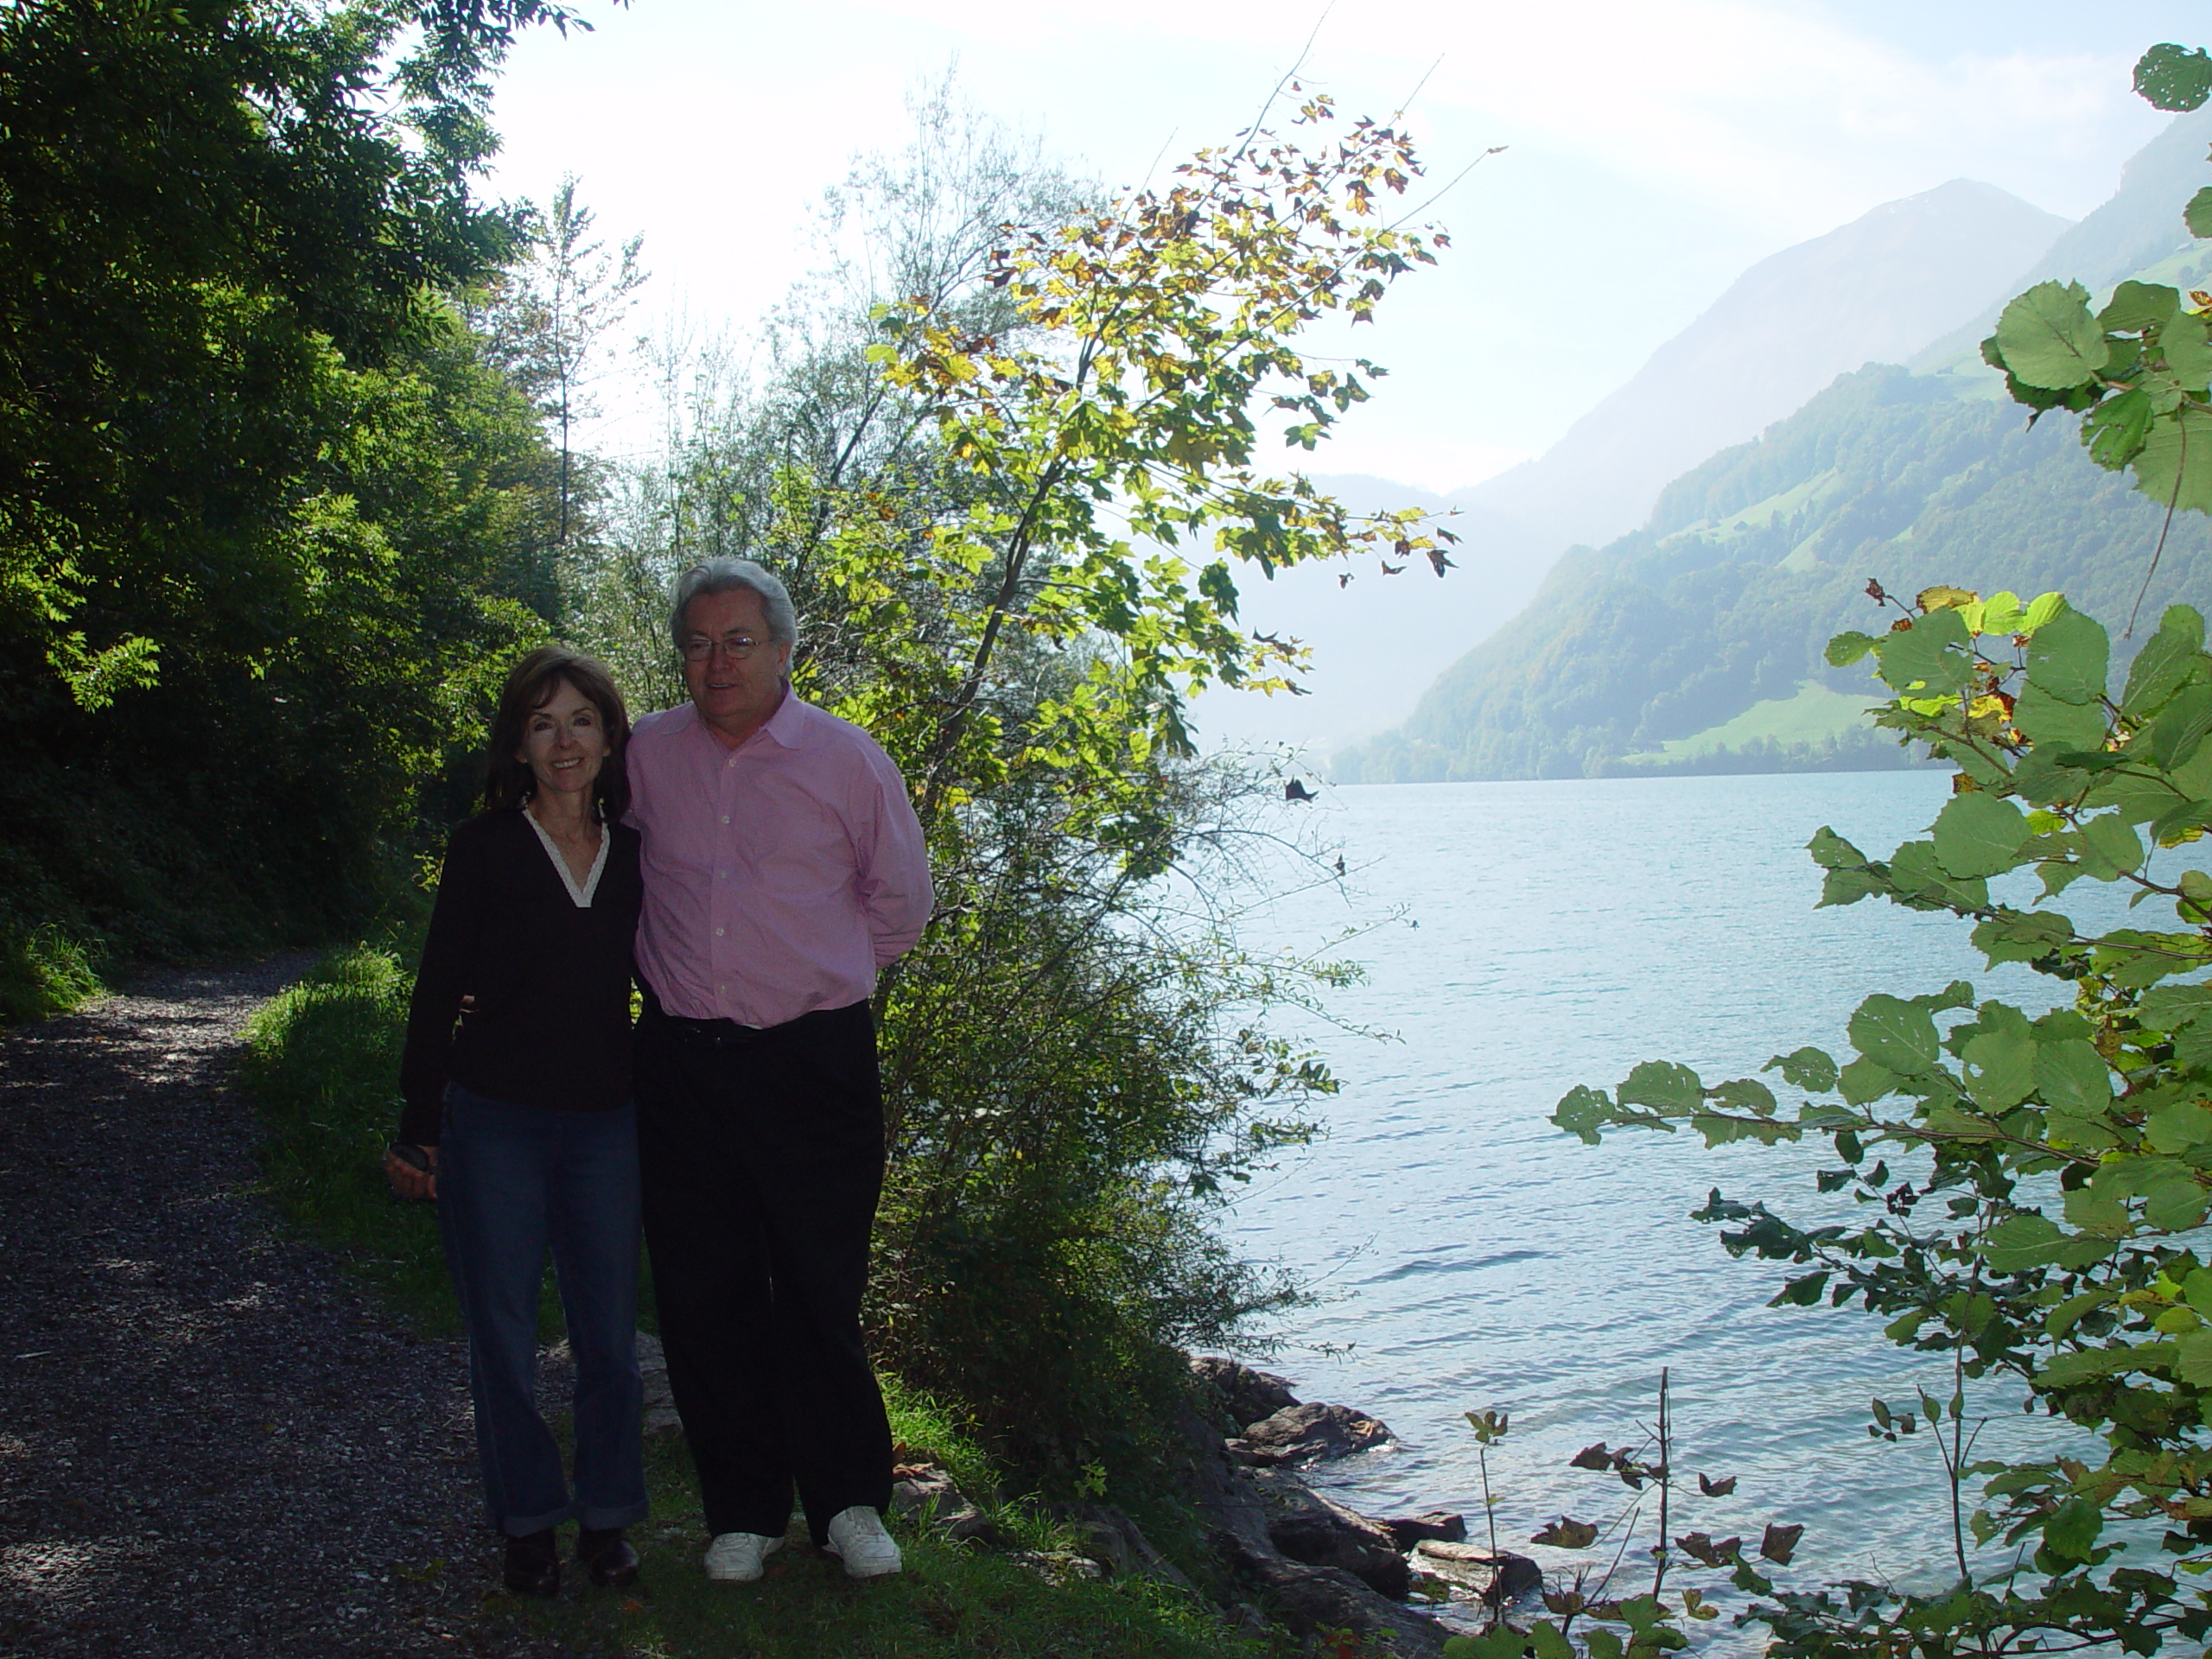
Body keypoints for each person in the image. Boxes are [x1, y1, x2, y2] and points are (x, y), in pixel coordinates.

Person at [626, 556, 932, 1584]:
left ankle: (848, 1504)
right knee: (704, 1294)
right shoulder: (644, 758)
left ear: (786, 650)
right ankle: (743, 1514)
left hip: (813, 1063)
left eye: (738, 641)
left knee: (817, 1290)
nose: (718, 663)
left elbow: (900, 907)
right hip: (681, 1065)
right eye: (699, 644)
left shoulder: (847, 762)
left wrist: (813, 982)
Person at [386, 645, 649, 1599]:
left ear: (611, 735)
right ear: (519, 745)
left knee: (609, 1339)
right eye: (543, 723)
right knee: (502, 1336)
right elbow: (434, 992)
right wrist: (420, 1125)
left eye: (581, 719)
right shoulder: (485, 847)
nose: (564, 740)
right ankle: (529, 1524)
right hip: (493, 1122)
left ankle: (609, 1520)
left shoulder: (638, 853)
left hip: (605, 1126)